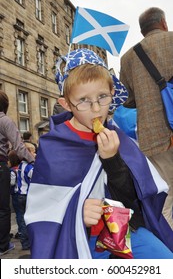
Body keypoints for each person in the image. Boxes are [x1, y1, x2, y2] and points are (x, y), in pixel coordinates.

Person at [25, 48, 173, 259]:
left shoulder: (119, 138)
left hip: (123, 230)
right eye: (84, 100)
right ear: (66, 104)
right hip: (79, 239)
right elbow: (42, 212)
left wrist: (112, 160)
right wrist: (76, 214)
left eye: (102, 96)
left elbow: (134, 201)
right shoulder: (54, 146)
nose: (96, 109)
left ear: (112, 93)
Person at [120, 7, 173, 228]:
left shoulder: (128, 58)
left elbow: (129, 100)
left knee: (166, 196)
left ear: (142, 31)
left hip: (153, 138)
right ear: (163, 23)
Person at [0, 90, 35, 256]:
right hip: (0, 166)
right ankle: (3, 245)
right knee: (3, 209)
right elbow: (19, 147)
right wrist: (35, 161)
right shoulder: (4, 120)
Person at [17, 142, 35, 250]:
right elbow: (35, 177)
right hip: (27, 195)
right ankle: (28, 241)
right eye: (33, 152)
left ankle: (24, 241)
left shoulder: (20, 165)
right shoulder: (29, 167)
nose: (35, 153)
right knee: (28, 219)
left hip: (19, 195)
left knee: (21, 218)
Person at [8, 150, 21, 239]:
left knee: (19, 213)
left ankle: (20, 231)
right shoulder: (21, 168)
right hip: (22, 192)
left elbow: (12, 183)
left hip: (16, 194)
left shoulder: (12, 171)